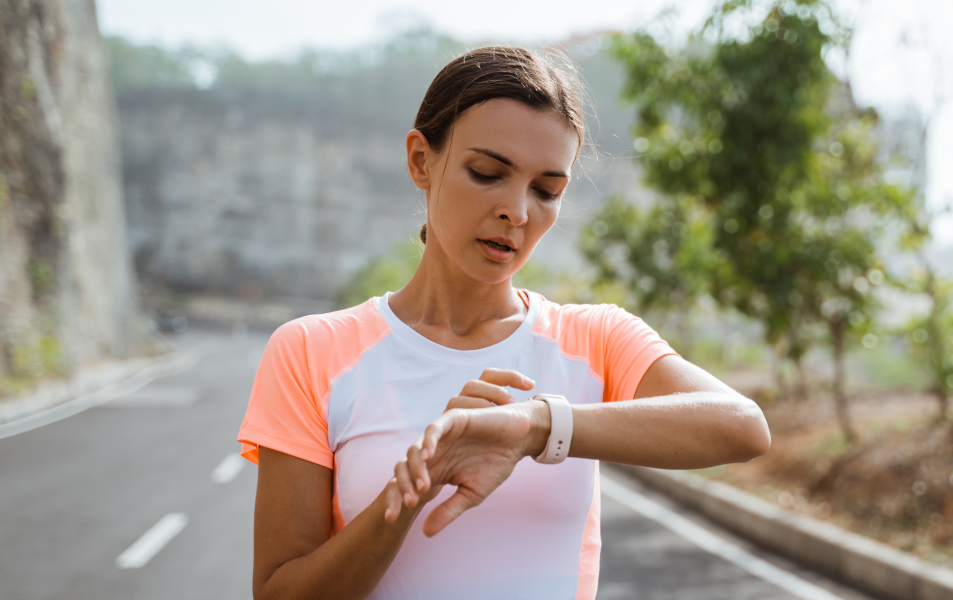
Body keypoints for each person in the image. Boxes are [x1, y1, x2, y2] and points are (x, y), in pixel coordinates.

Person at [237, 45, 771, 600]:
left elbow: (741, 426)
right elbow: (281, 592)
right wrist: (414, 488)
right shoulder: (310, 350)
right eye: (488, 173)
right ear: (421, 160)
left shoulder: (594, 337)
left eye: (547, 191)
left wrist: (536, 427)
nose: (518, 211)